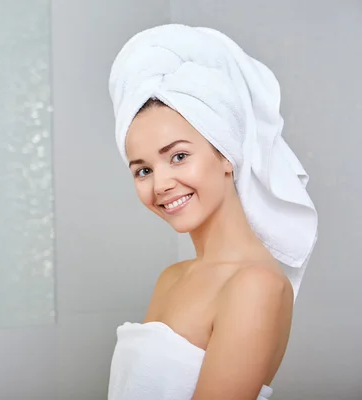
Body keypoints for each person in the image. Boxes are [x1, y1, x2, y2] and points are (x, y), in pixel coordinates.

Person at [107, 24, 318, 400]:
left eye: (179, 156)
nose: (160, 185)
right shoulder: (171, 278)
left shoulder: (256, 286)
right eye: (143, 170)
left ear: (225, 154)